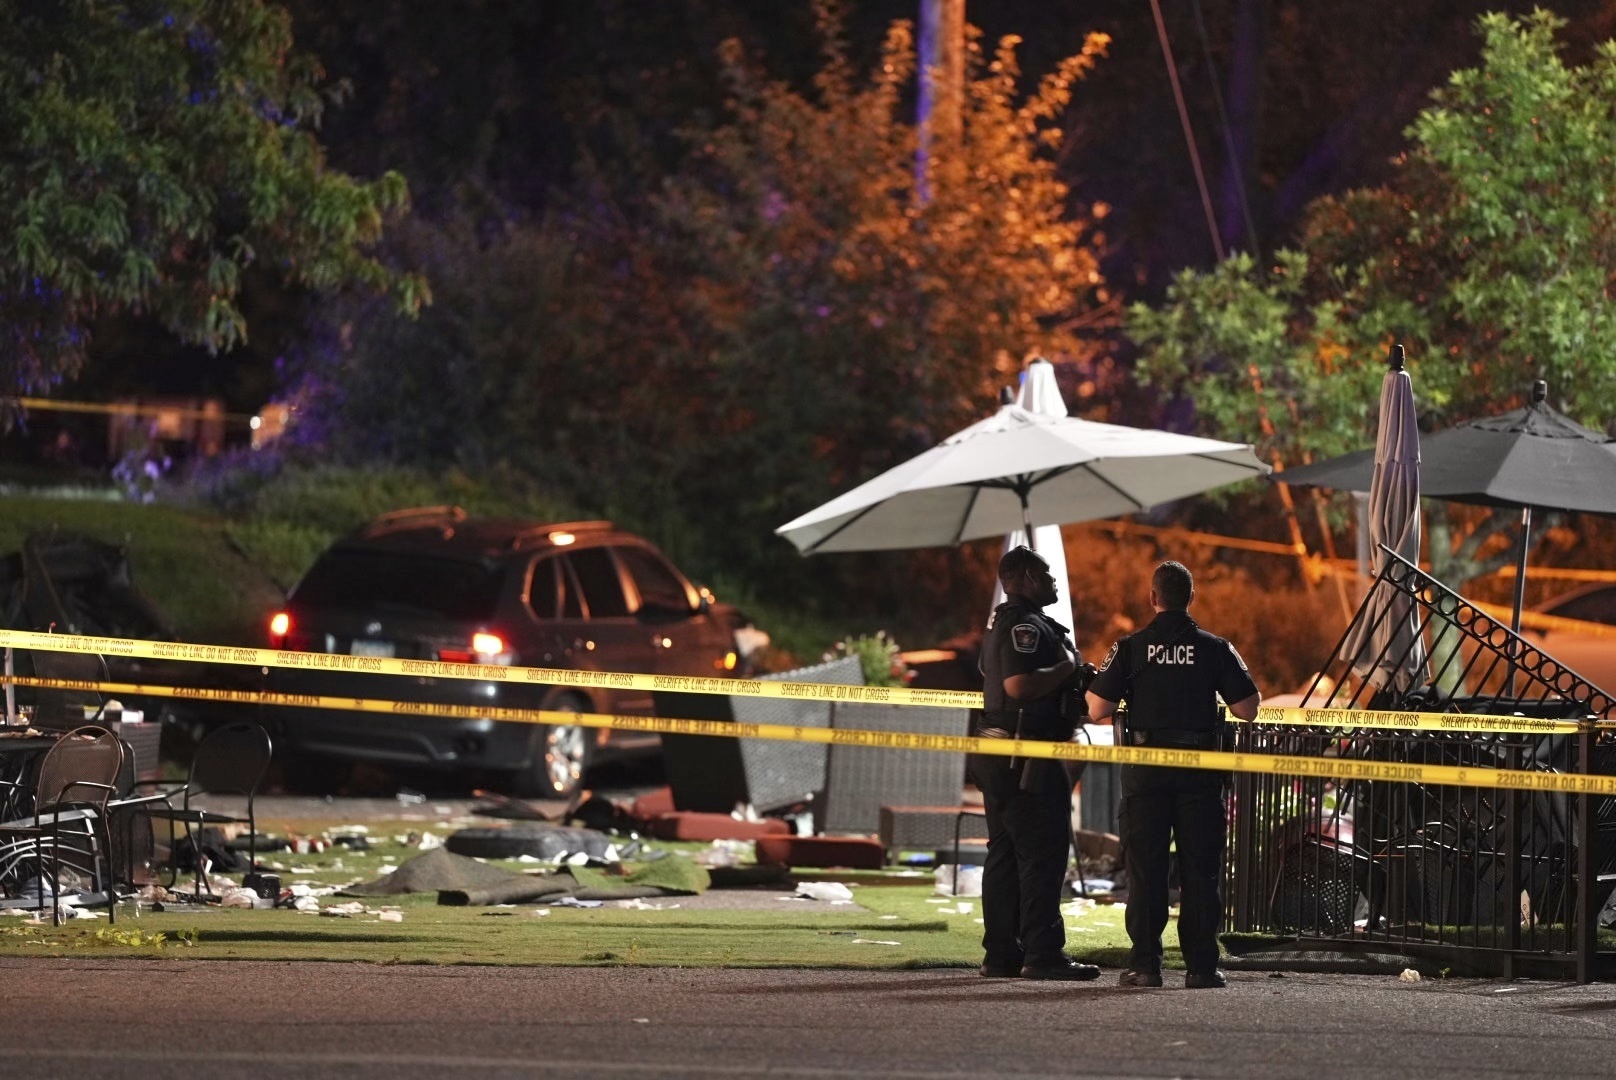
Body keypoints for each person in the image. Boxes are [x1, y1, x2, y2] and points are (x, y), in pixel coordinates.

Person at [1085, 560, 1260, 990]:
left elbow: (1096, 709)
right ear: (1191, 597)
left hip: (1146, 771)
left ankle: (1145, 966)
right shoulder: (1215, 647)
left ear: (1152, 598)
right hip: (1199, 772)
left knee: (1146, 870)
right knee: (1200, 870)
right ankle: (1201, 967)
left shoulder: (1129, 647)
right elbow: (1247, 708)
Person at [971, 545, 1100, 981]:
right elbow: (1019, 685)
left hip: (1004, 751)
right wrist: (1066, 668)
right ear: (1025, 577)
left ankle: (1002, 953)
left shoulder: (1004, 624)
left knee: (1005, 853)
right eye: (1046, 575)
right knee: (1042, 854)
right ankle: (1042, 954)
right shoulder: (1023, 625)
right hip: (1026, 754)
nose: (1054, 582)